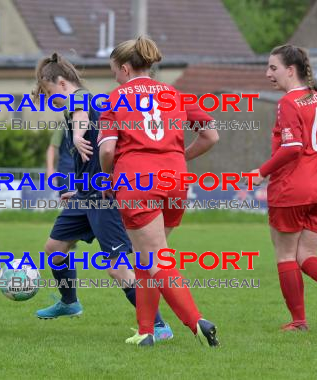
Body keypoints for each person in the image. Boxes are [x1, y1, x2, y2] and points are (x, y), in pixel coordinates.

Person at [32, 53, 174, 341]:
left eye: (48, 92)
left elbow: (81, 117)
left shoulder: (81, 97)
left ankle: (159, 326)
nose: (50, 99)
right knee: (55, 247)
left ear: (61, 83)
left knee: (117, 268)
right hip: (85, 193)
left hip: (104, 196)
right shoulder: (75, 104)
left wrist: (76, 135)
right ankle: (69, 303)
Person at [98, 36, 220, 347]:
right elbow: (211, 136)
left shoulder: (115, 99)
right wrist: (179, 156)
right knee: (146, 256)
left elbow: (108, 151)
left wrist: (106, 178)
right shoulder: (175, 95)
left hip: (137, 181)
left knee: (154, 259)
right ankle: (146, 331)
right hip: (176, 181)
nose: (115, 77)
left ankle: (197, 323)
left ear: (125, 68)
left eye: (114, 71)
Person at [247, 44, 317, 332]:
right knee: (306, 256)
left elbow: (292, 147)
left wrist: (261, 172)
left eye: (273, 68)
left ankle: (299, 322)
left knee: (285, 256)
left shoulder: (288, 103)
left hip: (293, 190)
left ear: (290, 70)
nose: (268, 73)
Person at [46, 128, 75, 196]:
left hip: (85, 170)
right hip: (66, 170)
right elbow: (52, 148)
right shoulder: (62, 127)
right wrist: (50, 169)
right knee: (67, 199)